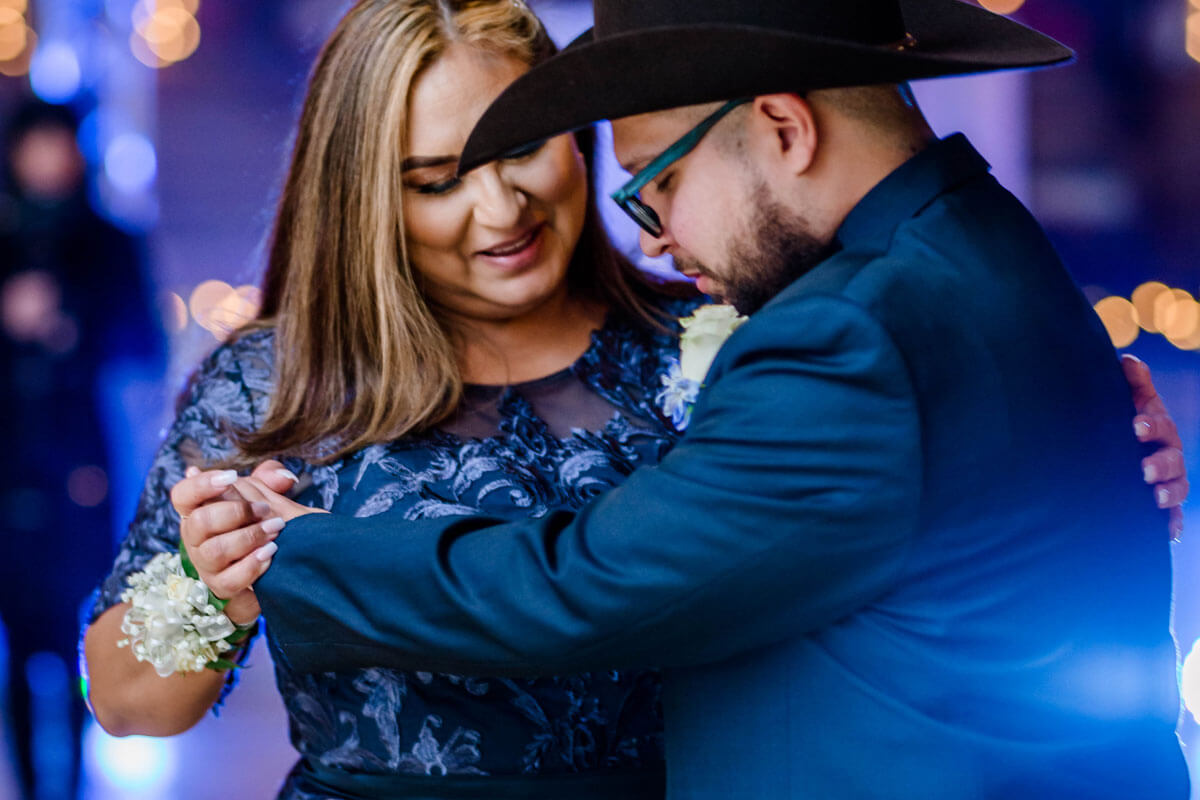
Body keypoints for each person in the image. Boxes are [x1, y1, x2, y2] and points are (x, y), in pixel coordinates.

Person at [236, 0, 1193, 798]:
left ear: (784, 128)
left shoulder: (846, 332)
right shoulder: (982, 235)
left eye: (658, 185)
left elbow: (587, 586)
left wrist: (289, 550)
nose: (651, 241)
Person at [82, 2, 692, 798]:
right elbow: (125, 704)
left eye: (525, 148)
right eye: (438, 181)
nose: (503, 210)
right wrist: (208, 584)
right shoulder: (277, 381)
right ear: (363, 201)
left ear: (576, 130)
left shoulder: (700, 344)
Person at [0, 99, 160, 799]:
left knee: (75, 636)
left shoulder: (106, 241)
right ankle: (33, 786)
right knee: (19, 641)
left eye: (57, 147)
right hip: (7, 464)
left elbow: (142, 343)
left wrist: (70, 321)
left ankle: (72, 786)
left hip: (77, 466)